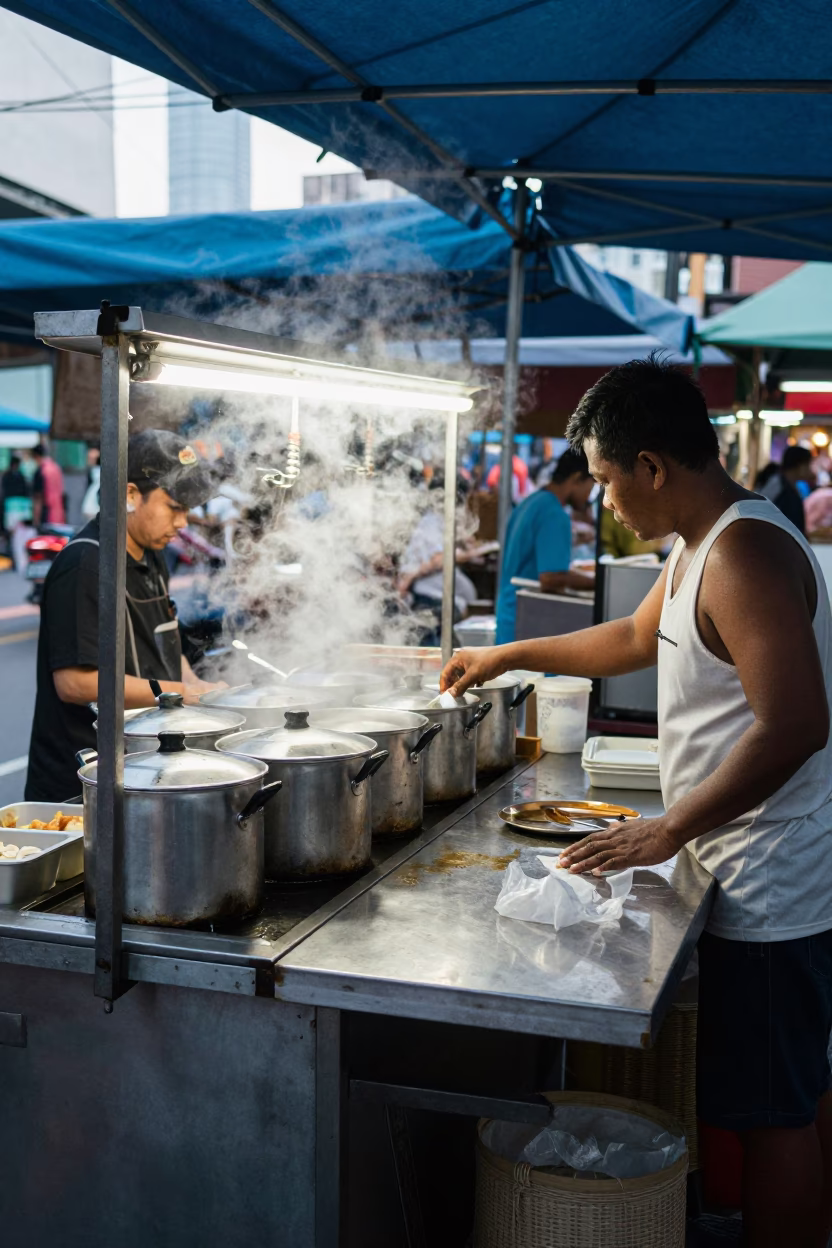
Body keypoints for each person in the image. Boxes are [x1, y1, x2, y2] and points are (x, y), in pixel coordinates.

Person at [440, 355, 832, 1248]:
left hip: (771, 875)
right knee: (795, 1091)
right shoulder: (702, 542)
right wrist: (508, 656)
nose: (605, 501)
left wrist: (667, 829)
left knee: (774, 1114)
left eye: (610, 481)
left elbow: (797, 724)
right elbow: (629, 636)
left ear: (652, 466)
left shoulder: (743, 552)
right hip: (746, 859)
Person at [26, 430, 224, 802]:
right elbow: (75, 683)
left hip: (141, 769)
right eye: (174, 507)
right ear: (131, 495)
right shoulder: (85, 564)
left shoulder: (151, 554)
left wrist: (199, 687)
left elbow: (166, 642)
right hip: (85, 784)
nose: (183, 523)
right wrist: (184, 695)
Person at [495, 448, 596, 645]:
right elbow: (551, 578)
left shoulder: (530, 503)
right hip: (528, 622)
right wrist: (599, 583)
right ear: (577, 478)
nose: (589, 497)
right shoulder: (554, 514)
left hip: (509, 614)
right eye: (591, 486)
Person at [757, 444, 815, 533]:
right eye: (809, 465)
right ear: (800, 466)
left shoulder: (791, 486)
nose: (811, 470)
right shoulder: (777, 485)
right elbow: (761, 513)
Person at [30, 442, 65, 526]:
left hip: (46, 515)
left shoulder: (40, 471)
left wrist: (36, 519)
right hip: (58, 514)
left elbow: (38, 497)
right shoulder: (56, 468)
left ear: (36, 456)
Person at [1, 454, 30, 531]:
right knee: (12, 527)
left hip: (17, 506)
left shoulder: (20, 476)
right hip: (12, 506)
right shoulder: (8, 476)